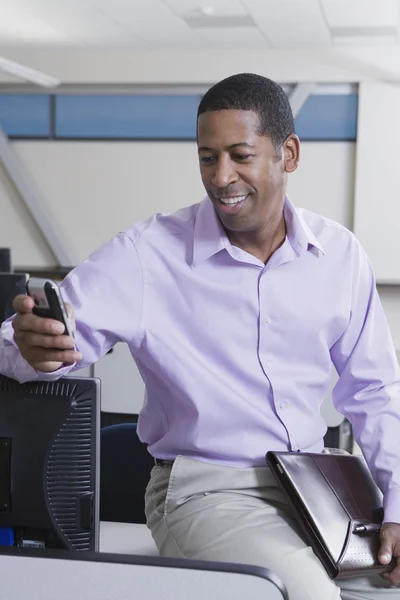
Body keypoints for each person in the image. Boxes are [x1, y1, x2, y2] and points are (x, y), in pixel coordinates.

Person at [1, 73, 400, 600]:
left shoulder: (340, 255)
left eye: (240, 155)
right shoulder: (148, 254)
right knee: (307, 597)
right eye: (208, 158)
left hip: (319, 486)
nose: (221, 176)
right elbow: (24, 343)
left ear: (290, 154)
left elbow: (375, 392)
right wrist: (30, 347)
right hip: (206, 490)